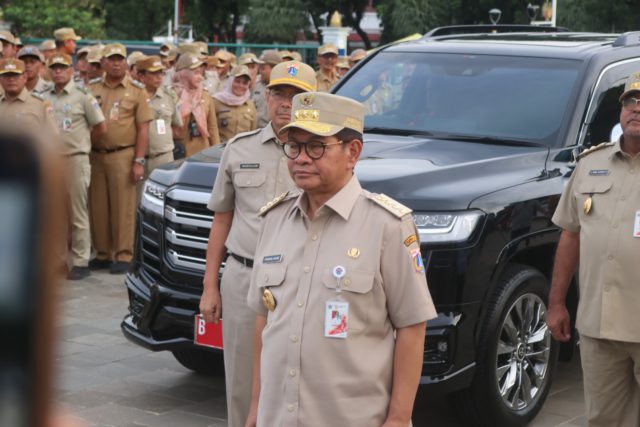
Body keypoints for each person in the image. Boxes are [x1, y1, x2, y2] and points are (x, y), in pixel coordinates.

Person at [244, 92, 437, 427]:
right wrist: (257, 406)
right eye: (294, 146)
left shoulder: (387, 225)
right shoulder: (274, 219)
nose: (301, 158)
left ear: (353, 152)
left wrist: (399, 417)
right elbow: (264, 319)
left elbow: (412, 325)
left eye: (316, 146)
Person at [200, 60, 317, 427]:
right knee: (239, 382)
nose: (286, 103)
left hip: (302, 278)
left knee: (300, 380)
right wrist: (209, 286)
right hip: (244, 275)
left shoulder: (323, 155)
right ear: (265, 97)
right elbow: (222, 219)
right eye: (279, 93)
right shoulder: (239, 150)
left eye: (297, 95)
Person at [548, 72, 640, 427]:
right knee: (604, 419)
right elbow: (570, 235)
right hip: (599, 327)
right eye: (630, 101)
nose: (636, 109)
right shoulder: (590, 165)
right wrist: (556, 303)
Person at [87, 43, 154, 274]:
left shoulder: (137, 91)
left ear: (126, 63)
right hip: (95, 155)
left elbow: (143, 128)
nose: (116, 63)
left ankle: (124, 254)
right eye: (111, 59)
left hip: (123, 154)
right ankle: (103, 253)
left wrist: (139, 161)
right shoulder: (91, 87)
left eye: (120, 59)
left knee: (123, 208)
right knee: (98, 207)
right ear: (103, 62)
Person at [43, 53, 106, 280]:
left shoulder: (82, 97)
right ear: (49, 71)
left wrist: (84, 145)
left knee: (78, 211)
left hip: (75, 159)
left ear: (71, 71)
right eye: (54, 67)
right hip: (52, 160)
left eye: (62, 67)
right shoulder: (44, 97)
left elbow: (100, 126)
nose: (58, 71)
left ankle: (80, 260)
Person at [136, 55, 182, 177]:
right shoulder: (133, 97)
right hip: (138, 159)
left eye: (161, 73)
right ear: (141, 76)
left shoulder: (169, 96)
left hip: (163, 157)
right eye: (154, 73)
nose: (159, 77)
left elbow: (176, 126)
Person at [172, 53, 220, 156]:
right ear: (184, 74)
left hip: (203, 151)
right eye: (196, 73)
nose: (200, 78)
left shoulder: (205, 95)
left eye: (201, 73)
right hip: (180, 151)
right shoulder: (171, 95)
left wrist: (217, 152)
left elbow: (212, 128)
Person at [0, 58, 57, 132]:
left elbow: (53, 137)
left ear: (24, 77)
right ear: (0, 79)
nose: (11, 79)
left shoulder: (40, 105)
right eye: (7, 75)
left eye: (16, 75)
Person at [212, 65, 257, 143]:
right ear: (230, 81)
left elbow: (253, 133)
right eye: (237, 81)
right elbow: (211, 130)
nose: (241, 86)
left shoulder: (250, 105)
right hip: (220, 151)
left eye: (245, 83)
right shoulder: (216, 102)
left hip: (243, 151)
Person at [253, 50, 281, 128]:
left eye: (263, 68)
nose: (260, 71)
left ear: (274, 69)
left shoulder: (285, 88)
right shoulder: (256, 84)